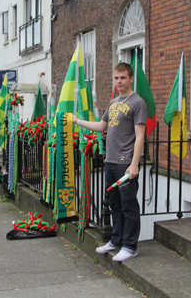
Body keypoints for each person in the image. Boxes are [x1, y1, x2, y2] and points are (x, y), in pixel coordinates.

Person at [73, 62, 147, 262]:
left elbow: (140, 136)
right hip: (111, 161)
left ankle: (130, 246)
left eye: (123, 77)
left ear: (131, 79)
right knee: (114, 204)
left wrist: (134, 164)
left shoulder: (138, 103)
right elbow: (101, 126)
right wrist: (77, 121)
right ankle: (116, 241)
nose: (119, 81)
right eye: (116, 78)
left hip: (125, 163)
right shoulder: (113, 102)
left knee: (128, 206)